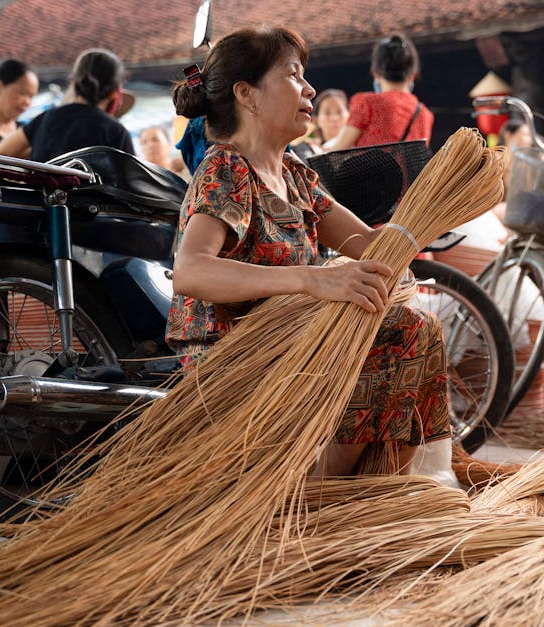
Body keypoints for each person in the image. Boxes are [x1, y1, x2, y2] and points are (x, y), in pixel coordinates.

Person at [167, 26, 449, 477]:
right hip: (234, 355)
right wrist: (312, 280)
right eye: (293, 75)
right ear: (248, 94)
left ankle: (382, 488)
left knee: (419, 327)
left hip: (293, 342)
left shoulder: (294, 174)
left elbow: (365, 243)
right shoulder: (227, 169)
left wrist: (435, 212)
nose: (310, 89)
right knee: (399, 328)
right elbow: (191, 272)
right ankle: (324, 485)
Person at [0, 48, 134, 162]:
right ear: (115, 92)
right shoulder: (115, 131)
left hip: (42, 194)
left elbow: (4, 149)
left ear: (73, 82)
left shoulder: (48, 118)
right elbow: (134, 183)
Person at [323, 34, 433, 150]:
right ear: (412, 76)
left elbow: (338, 150)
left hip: (367, 168)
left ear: (375, 73)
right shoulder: (424, 114)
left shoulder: (367, 103)